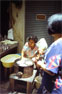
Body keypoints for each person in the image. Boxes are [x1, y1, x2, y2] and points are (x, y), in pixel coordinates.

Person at [37, 13, 62, 94]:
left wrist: (40, 63)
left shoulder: (58, 44)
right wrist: (45, 53)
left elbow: (51, 71)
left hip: (53, 87)